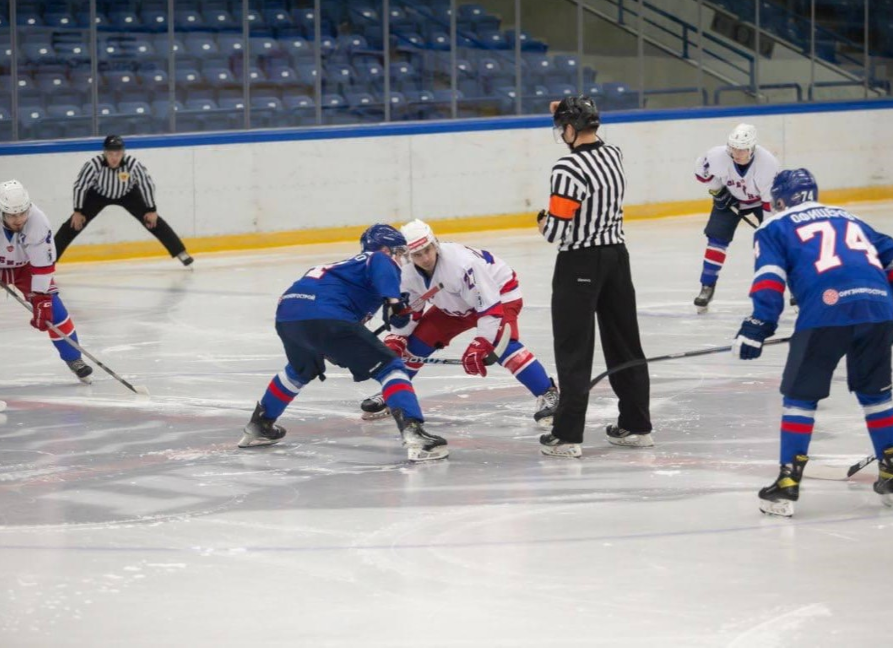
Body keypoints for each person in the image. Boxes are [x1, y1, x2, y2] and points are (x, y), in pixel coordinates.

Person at [733, 168, 893, 516]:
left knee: (800, 396)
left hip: (826, 309)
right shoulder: (851, 218)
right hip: (877, 306)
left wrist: (758, 325)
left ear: (779, 200)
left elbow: (770, 278)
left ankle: (787, 483)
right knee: (876, 394)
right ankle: (891, 474)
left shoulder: (773, 227)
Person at [237, 224, 448, 462]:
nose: (402, 259)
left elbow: (332, 313)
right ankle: (415, 435)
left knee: (299, 370)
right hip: (325, 313)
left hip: (288, 316)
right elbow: (380, 262)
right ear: (389, 250)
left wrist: (332, 343)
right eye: (400, 253)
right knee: (392, 368)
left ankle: (259, 426)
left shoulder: (345, 269)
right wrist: (395, 302)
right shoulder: (377, 258)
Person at [536, 96, 652, 458]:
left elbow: (556, 231)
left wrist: (540, 220)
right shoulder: (613, 154)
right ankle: (636, 425)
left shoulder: (567, 169)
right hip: (617, 258)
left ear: (571, 130)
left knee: (574, 349)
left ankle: (568, 434)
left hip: (579, 263)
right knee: (625, 342)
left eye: (563, 129)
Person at [357, 219, 559, 425]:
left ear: (434, 243)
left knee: (501, 345)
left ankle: (548, 392)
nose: (425, 258)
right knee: (414, 345)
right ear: (408, 255)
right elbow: (410, 310)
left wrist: (482, 342)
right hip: (454, 304)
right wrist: (397, 337)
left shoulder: (462, 264)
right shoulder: (405, 272)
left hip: (499, 295)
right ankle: (394, 393)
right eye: (418, 254)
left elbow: (489, 306)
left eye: (428, 250)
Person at [0, 180, 93, 384]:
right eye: (12, 214)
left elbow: (43, 266)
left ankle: (74, 359)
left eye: (22, 213)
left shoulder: (39, 223)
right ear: (0, 211)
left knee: (54, 312)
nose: (18, 219)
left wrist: (42, 299)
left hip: (24, 267)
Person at [54, 135, 194, 266]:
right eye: (110, 154)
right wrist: (78, 211)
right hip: (98, 195)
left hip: (128, 194)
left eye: (118, 154)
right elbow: (80, 187)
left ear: (123, 152)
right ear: (104, 152)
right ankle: (48, 259)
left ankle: (180, 252)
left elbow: (147, 184)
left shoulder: (133, 164)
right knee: (73, 224)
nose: (114, 158)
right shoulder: (93, 165)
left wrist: (152, 210)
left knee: (153, 220)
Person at [693, 123, 780, 312]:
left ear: (752, 148)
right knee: (716, 239)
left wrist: (767, 228)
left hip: (759, 202)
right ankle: (707, 286)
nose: (737, 153)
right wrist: (719, 192)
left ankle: (794, 288)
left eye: (742, 150)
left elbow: (768, 202)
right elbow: (702, 175)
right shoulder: (716, 155)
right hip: (730, 198)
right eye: (734, 148)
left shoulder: (768, 163)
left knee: (776, 242)